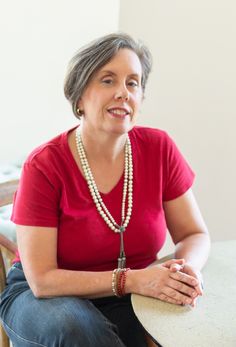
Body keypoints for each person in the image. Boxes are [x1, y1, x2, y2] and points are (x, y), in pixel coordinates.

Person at [0, 33, 210, 347]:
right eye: (108, 80)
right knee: (75, 328)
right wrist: (133, 279)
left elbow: (194, 234)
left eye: (133, 83)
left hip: (131, 292)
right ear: (80, 95)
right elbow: (42, 280)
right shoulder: (44, 165)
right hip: (44, 297)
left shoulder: (159, 148)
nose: (123, 93)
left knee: (190, 320)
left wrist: (185, 270)